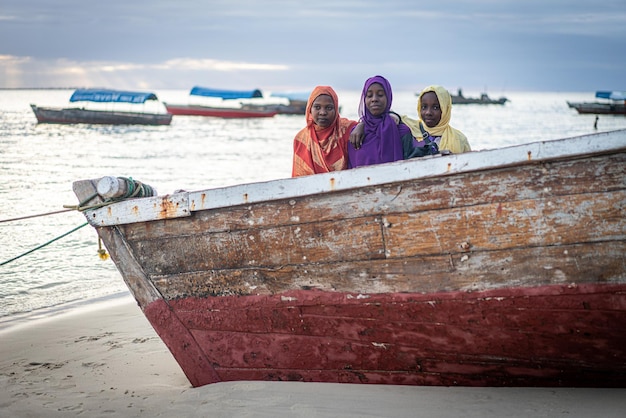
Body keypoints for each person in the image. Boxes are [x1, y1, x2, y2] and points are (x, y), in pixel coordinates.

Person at [347, 75, 415, 168]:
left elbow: (410, 167)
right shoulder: (356, 134)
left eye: (380, 95)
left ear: (388, 97)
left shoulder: (402, 132)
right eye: (369, 95)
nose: (374, 99)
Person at [292, 86, 357, 177]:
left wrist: (361, 125)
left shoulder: (347, 130)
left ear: (336, 110)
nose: (323, 112)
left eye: (329, 108)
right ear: (310, 109)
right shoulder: (301, 139)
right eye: (317, 107)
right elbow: (298, 178)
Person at [402, 85, 471, 154]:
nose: (428, 112)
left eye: (435, 107)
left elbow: (468, 163)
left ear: (445, 109)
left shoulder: (459, 139)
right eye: (424, 107)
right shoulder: (412, 131)